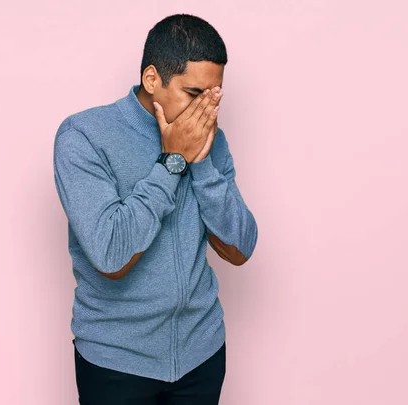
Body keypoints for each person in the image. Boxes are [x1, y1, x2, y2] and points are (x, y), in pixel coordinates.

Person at [53, 13, 258, 405]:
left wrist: (201, 161)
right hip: (116, 364)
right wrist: (172, 162)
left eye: (216, 96)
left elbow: (240, 247)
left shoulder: (212, 140)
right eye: (195, 94)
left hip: (202, 354)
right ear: (152, 80)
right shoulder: (84, 137)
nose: (207, 110)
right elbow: (112, 256)